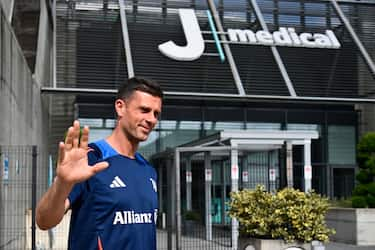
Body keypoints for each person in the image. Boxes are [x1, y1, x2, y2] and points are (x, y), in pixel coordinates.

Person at [36, 77, 163, 250]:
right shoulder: (90, 160)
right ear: (121, 107)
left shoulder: (148, 170)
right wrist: (63, 182)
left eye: (156, 113)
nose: (151, 119)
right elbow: (44, 221)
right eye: (144, 110)